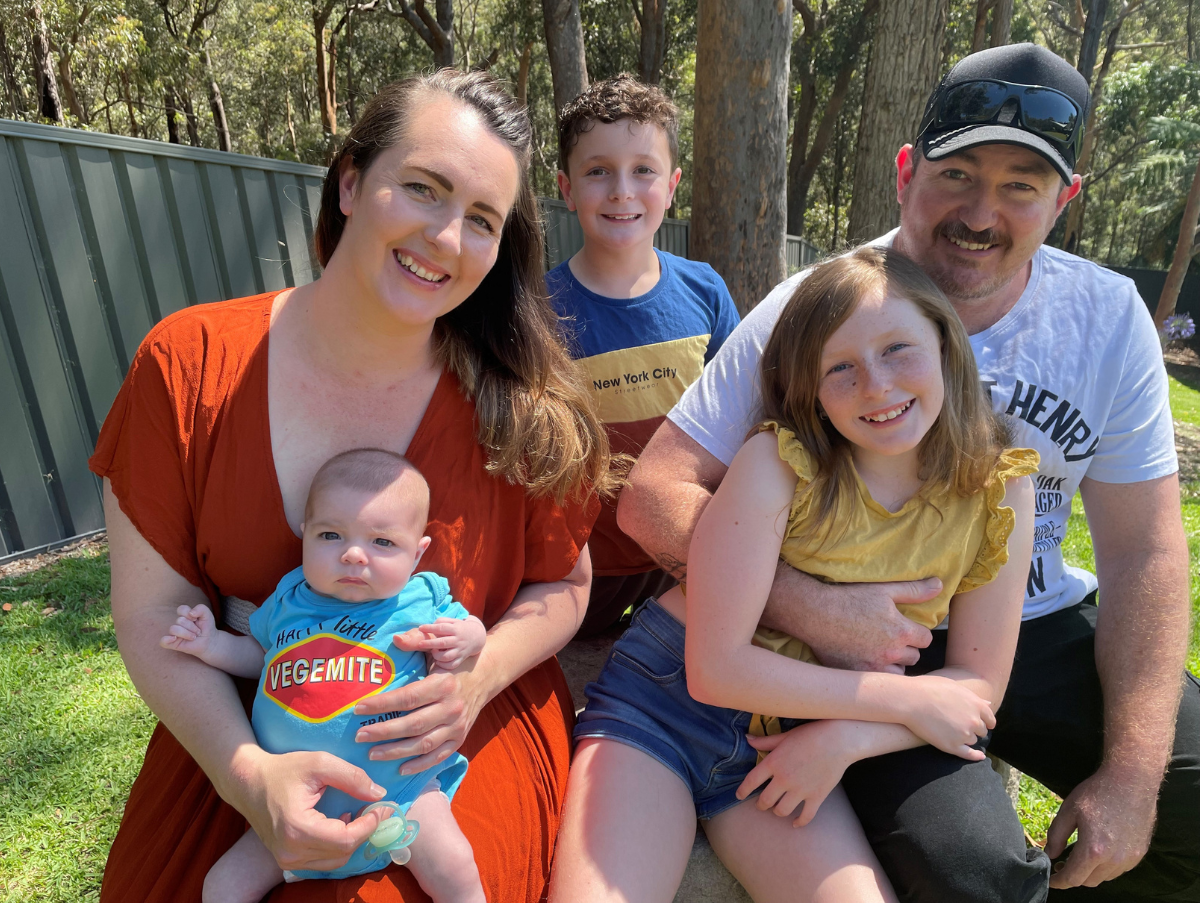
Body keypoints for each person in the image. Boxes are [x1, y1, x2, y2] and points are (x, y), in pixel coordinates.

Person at [617, 43, 1199, 902]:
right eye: (958, 173)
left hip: (1032, 621)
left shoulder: (1106, 318)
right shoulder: (819, 306)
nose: (981, 212)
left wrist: (1132, 776)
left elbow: (1147, 554)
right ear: (904, 170)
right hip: (883, 640)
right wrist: (807, 602)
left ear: (1065, 199)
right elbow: (653, 494)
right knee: (974, 874)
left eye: (1020, 186)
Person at [89, 70, 618, 903]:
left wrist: (473, 681)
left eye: (481, 220)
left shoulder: (523, 404)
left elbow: (565, 582)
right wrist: (249, 777)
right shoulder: (185, 364)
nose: (446, 237)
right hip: (245, 726)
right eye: (422, 189)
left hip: (446, 739)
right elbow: (154, 612)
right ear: (349, 182)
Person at [550, 246, 1037, 903]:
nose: (878, 385)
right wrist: (905, 699)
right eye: (841, 367)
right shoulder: (779, 463)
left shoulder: (997, 485)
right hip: (664, 709)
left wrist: (843, 740)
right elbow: (715, 668)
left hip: (785, 746)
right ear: (808, 387)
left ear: (947, 341)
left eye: (898, 348)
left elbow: (975, 686)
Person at [161, 449, 486, 903]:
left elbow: (470, 630)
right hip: (287, 796)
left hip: (398, 792)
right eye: (331, 535)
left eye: (383, 543)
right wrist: (210, 645)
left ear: (418, 552)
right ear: (304, 536)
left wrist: (471, 637)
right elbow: (261, 656)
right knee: (222, 885)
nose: (354, 555)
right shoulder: (290, 599)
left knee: (455, 866)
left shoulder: (419, 602)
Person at [548, 74, 739, 638]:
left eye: (644, 170)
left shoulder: (706, 293)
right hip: (583, 576)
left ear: (673, 183)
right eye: (598, 170)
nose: (622, 190)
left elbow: (745, 427)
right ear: (566, 187)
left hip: (687, 564)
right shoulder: (538, 310)